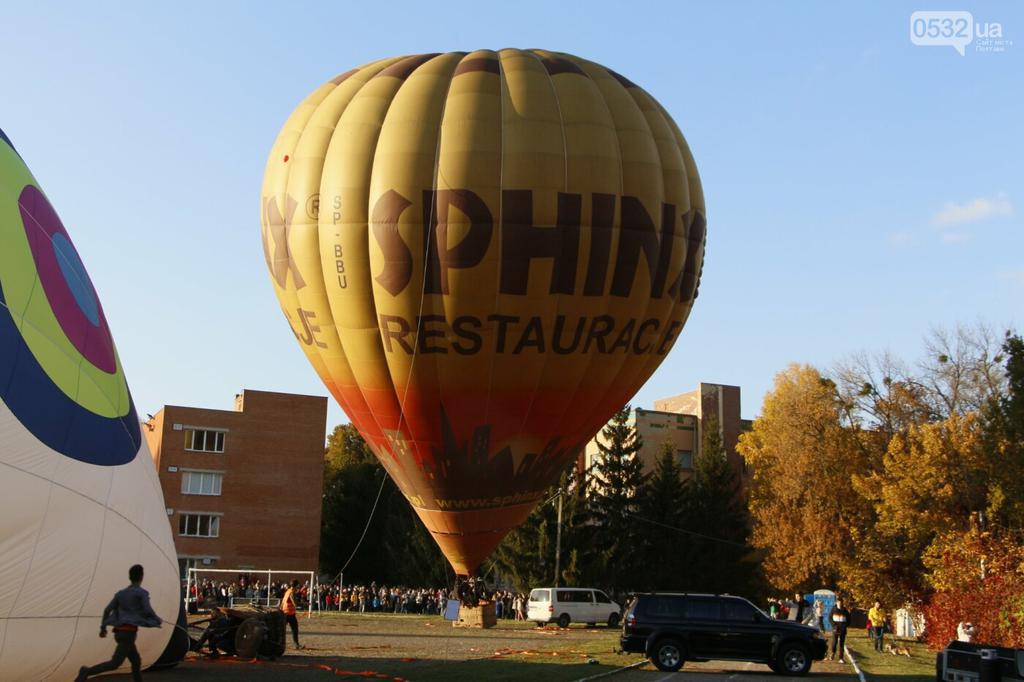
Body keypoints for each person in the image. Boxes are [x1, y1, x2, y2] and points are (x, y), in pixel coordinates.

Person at [76, 564, 161, 682]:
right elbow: (147, 610)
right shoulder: (141, 593)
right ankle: (87, 671)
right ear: (141, 577)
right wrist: (157, 619)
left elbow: (107, 610)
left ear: (130, 577)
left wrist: (103, 628)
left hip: (120, 633)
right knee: (115, 663)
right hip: (128, 633)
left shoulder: (121, 594)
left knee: (136, 661)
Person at [828, 596, 850, 663]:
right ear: (836, 603)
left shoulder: (845, 611)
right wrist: (834, 626)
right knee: (834, 642)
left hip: (843, 629)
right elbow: (830, 618)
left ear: (842, 603)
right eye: (838, 603)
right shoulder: (833, 609)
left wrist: (845, 626)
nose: (839, 604)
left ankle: (841, 658)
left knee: (841, 644)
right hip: (835, 629)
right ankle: (832, 654)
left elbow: (849, 620)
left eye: (841, 603)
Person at [281, 579, 302, 650]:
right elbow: (295, 603)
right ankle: (296, 644)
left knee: (282, 629)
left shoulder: (288, 590)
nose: (299, 586)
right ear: (296, 585)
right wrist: (304, 604)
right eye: (298, 585)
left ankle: (280, 644)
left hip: (285, 612)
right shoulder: (292, 592)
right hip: (289, 613)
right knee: (294, 629)